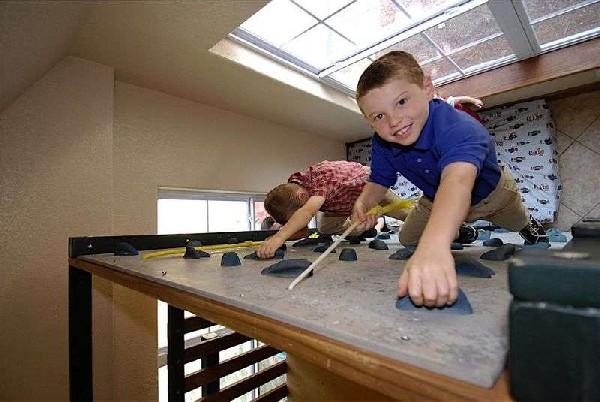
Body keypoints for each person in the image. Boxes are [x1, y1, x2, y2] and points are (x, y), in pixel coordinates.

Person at [351, 51, 547, 308]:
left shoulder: (460, 127)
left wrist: (434, 246)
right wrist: (365, 203)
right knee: (408, 239)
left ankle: (526, 223)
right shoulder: (382, 143)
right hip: (434, 199)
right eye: (379, 116)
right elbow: (379, 180)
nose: (394, 121)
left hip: (493, 196)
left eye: (401, 102)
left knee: (517, 221)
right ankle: (459, 230)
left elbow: (457, 182)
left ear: (427, 87)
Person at [256, 160, 412, 258]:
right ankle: (359, 228)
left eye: (295, 214)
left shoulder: (321, 179)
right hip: (340, 205)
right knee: (326, 228)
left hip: (370, 190)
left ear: (301, 197)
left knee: (405, 214)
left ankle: (417, 216)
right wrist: (281, 236)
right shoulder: (295, 187)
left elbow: (307, 212)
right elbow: (300, 224)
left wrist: (279, 237)